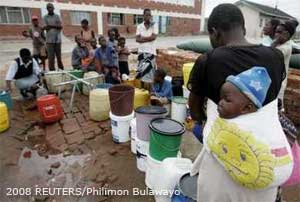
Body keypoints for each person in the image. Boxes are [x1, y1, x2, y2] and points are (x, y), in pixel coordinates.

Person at [188, 4, 290, 202]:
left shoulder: (208, 61)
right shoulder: (276, 57)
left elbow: (194, 107)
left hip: (223, 160)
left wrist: (201, 121)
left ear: (214, 33)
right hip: (265, 163)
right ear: (243, 29)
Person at [271, 20, 298, 110]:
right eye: (276, 31)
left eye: (279, 32)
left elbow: (268, 55)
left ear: (286, 34)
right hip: (274, 83)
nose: (275, 35)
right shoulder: (280, 45)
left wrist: (275, 42)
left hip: (277, 85)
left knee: (275, 110)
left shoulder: (285, 48)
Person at [136, 8, 158, 90]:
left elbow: (153, 37)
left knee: (150, 73)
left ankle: (151, 92)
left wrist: (143, 38)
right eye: (147, 15)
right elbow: (137, 39)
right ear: (143, 16)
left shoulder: (154, 25)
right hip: (141, 52)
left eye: (150, 15)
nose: (149, 16)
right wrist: (148, 38)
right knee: (141, 72)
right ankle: (141, 89)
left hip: (151, 52)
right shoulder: (139, 26)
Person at [43, 3, 64, 71]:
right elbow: (45, 27)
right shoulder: (45, 17)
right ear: (47, 9)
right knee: (51, 57)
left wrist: (51, 26)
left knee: (59, 57)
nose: (49, 9)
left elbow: (60, 27)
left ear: (53, 8)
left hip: (58, 40)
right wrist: (55, 26)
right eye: (48, 7)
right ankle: (52, 71)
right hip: (49, 41)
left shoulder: (57, 16)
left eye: (51, 7)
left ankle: (61, 69)